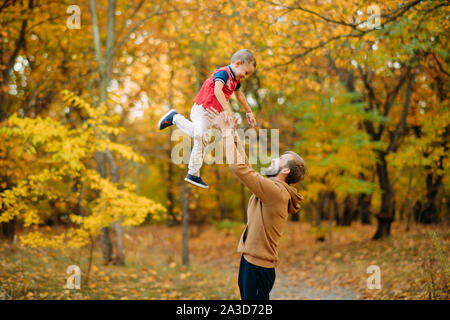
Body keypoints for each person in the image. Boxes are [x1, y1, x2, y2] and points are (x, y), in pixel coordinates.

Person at [205, 109, 307, 300]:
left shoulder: (276, 192)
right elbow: (245, 165)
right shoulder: (274, 188)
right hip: (250, 263)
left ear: (284, 170)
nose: (275, 158)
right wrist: (232, 133)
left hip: (258, 267)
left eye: (281, 159)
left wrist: (226, 133)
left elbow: (238, 168)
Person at [157, 49, 257, 189]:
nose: (245, 76)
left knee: (202, 140)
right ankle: (176, 119)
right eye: (246, 72)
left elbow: (240, 95)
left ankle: (193, 173)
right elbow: (217, 90)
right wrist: (228, 110)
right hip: (202, 109)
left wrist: (249, 112)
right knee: (200, 137)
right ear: (238, 63)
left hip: (212, 114)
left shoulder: (235, 81)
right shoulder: (224, 73)